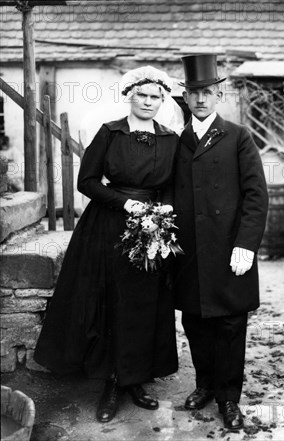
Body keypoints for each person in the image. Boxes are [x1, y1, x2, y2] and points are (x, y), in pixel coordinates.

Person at [34, 66, 180, 423]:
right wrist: (124, 203)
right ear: (130, 96)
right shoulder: (110, 133)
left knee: (144, 303)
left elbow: (176, 183)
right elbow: (87, 181)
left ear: (163, 101)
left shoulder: (170, 139)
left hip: (151, 229)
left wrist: (164, 209)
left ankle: (136, 380)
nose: (147, 102)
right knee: (111, 302)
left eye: (154, 97)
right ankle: (111, 384)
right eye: (141, 95)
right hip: (109, 226)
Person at [172, 54, 268, 431]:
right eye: (193, 93)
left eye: (207, 92)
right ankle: (205, 384)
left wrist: (246, 244)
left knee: (230, 325)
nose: (200, 99)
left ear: (218, 94)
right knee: (195, 321)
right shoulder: (177, 141)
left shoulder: (238, 136)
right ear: (185, 97)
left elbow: (255, 196)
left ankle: (229, 398)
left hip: (230, 251)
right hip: (190, 252)